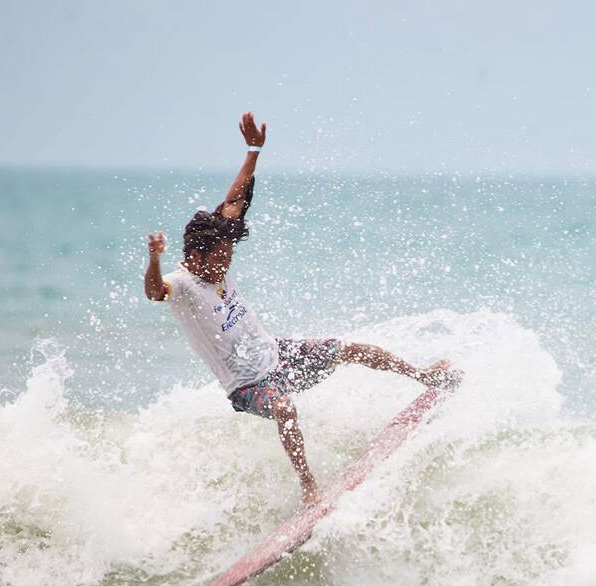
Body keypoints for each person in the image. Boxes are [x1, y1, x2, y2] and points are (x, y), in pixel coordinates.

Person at [144, 112, 457, 506]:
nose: (226, 264)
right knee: (284, 406)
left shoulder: (216, 244)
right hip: (248, 386)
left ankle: (422, 374)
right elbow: (155, 292)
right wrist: (154, 260)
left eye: (228, 255)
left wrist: (253, 151)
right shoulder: (183, 284)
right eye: (219, 259)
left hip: (278, 354)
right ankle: (308, 486)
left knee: (350, 349)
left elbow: (234, 202)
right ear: (195, 254)